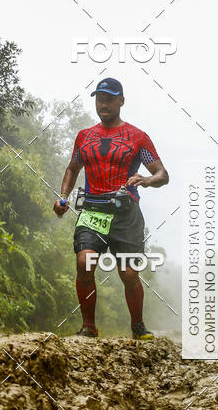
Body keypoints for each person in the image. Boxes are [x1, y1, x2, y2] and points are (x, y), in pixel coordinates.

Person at [53, 77, 169, 339]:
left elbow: (162, 174)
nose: (103, 104)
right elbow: (72, 169)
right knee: (84, 262)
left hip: (125, 214)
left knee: (128, 273)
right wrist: (63, 196)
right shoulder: (84, 137)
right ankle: (88, 327)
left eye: (109, 99)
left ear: (121, 101)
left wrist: (146, 180)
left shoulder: (138, 138)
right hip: (92, 210)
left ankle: (138, 327)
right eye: (99, 99)